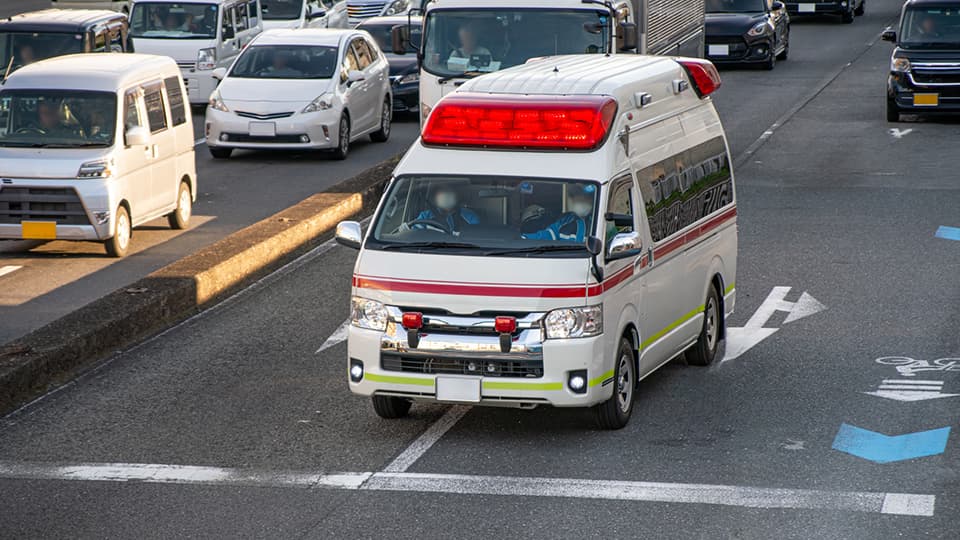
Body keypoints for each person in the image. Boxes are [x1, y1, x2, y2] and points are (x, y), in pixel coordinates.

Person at [522, 184, 595, 242]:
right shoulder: (567, 220)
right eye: (574, 195)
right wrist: (520, 239)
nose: (581, 201)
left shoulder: (602, 223)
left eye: (586, 197)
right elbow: (547, 235)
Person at [408, 184, 480, 234]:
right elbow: (414, 235)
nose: (445, 197)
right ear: (435, 197)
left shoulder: (470, 216)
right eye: (442, 194)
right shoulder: (425, 216)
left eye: (449, 193)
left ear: (456, 196)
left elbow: (476, 237)